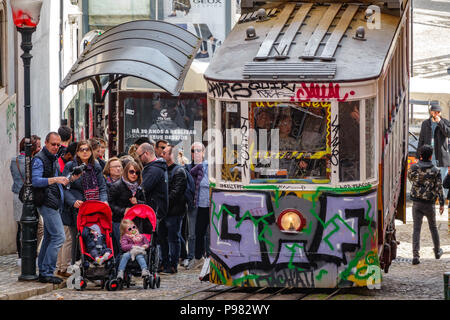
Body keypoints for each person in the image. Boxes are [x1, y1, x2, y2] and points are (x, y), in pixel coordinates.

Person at [62, 141, 108, 269]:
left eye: (87, 149)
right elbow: (64, 187)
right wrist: (72, 201)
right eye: (81, 149)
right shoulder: (71, 166)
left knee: (94, 236)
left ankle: (93, 264)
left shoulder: (96, 167)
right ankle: (75, 266)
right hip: (77, 208)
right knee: (76, 238)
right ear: (77, 152)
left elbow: (102, 187)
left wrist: (104, 202)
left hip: (93, 207)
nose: (84, 152)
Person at [32, 132, 70, 284]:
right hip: (47, 203)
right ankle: (47, 271)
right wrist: (56, 179)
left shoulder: (52, 158)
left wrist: (68, 179)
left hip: (53, 202)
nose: (56, 147)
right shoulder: (40, 159)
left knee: (49, 237)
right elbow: (35, 181)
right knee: (59, 237)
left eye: (58, 145)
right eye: (53, 144)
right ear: (46, 143)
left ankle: (43, 270)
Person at [407, 144, 444, 265]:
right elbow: (439, 188)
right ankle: (437, 251)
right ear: (431, 156)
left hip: (416, 203)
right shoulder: (435, 171)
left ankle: (415, 255)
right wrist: (442, 203)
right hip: (429, 203)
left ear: (421, 155)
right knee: (433, 228)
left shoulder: (414, 168)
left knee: (416, 229)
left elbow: (410, 178)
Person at [10, 136, 42, 265]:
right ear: (32, 147)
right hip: (27, 196)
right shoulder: (32, 161)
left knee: (21, 227)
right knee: (34, 226)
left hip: (17, 194)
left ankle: (21, 256)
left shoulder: (14, 160)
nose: (40, 149)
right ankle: (30, 255)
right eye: (38, 146)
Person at [108, 160, 146, 256]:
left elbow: (145, 204)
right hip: (119, 222)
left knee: (135, 246)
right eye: (131, 172)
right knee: (121, 247)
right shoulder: (116, 186)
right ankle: (119, 268)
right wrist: (123, 211)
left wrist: (137, 202)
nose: (134, 175)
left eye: (137, 172)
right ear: (126, 172)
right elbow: (110, 204)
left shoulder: (139, 188)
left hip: (135, 222)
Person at [160, 145, 187, 273]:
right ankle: (164, 263)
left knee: (173, 239)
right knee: (162, 238)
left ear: (171, 155)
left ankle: (172, 265)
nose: (161, 155)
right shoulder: (162, 169)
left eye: (164, 153)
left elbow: (176, 193)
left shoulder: (179, 171)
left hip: (174, 211)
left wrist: (164, 203)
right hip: (163, 212)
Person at [418, 105, 450, 195]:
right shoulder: (425, 123)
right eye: (435, 112)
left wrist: (440, 122)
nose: (436, 114)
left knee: (443, 176)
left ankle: (444, 197)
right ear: (431, 112)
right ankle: (430, 195)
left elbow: (448, 133)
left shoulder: (445, 122)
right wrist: (418, 155)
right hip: (428, 154)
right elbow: (421, 139)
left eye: (438, 112)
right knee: (428, 176)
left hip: (441, 154)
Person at [190, 143, 210, 268]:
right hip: (200, 204)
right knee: (198, 232)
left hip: (212, 204)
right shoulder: (199, 167)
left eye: (198, 150)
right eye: (193, 151)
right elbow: (190, 175)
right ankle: (198, 258)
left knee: (210, 233)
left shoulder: (208, 165)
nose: (196, 153)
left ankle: (209, 257)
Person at [136, 143, 169, 221]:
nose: (139, 159)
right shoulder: (156, 166)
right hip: (156, 211)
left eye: (140, 156)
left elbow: (142, 190)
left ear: (146, 153)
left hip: (153, 212)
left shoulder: (153, 170)